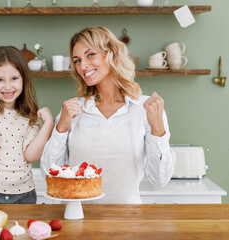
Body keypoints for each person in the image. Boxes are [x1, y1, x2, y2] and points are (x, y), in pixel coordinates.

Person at [40, 27, 176, 204]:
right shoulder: (73, 110)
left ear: (111, 53)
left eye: (90, 55)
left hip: (127, 221)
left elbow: (160, 179)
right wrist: (61, 129)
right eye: (77, 60)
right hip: (77, 218)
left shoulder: (144, 109)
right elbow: (48, 174)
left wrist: (158, 129)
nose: (83, 66)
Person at [0, 46, 54, 204]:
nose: (8, 86)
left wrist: (49, 124)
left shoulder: (30, 114)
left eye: (14, 78)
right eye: (0, 80)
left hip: (24, 194)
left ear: (24, 79)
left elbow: (31, 156)